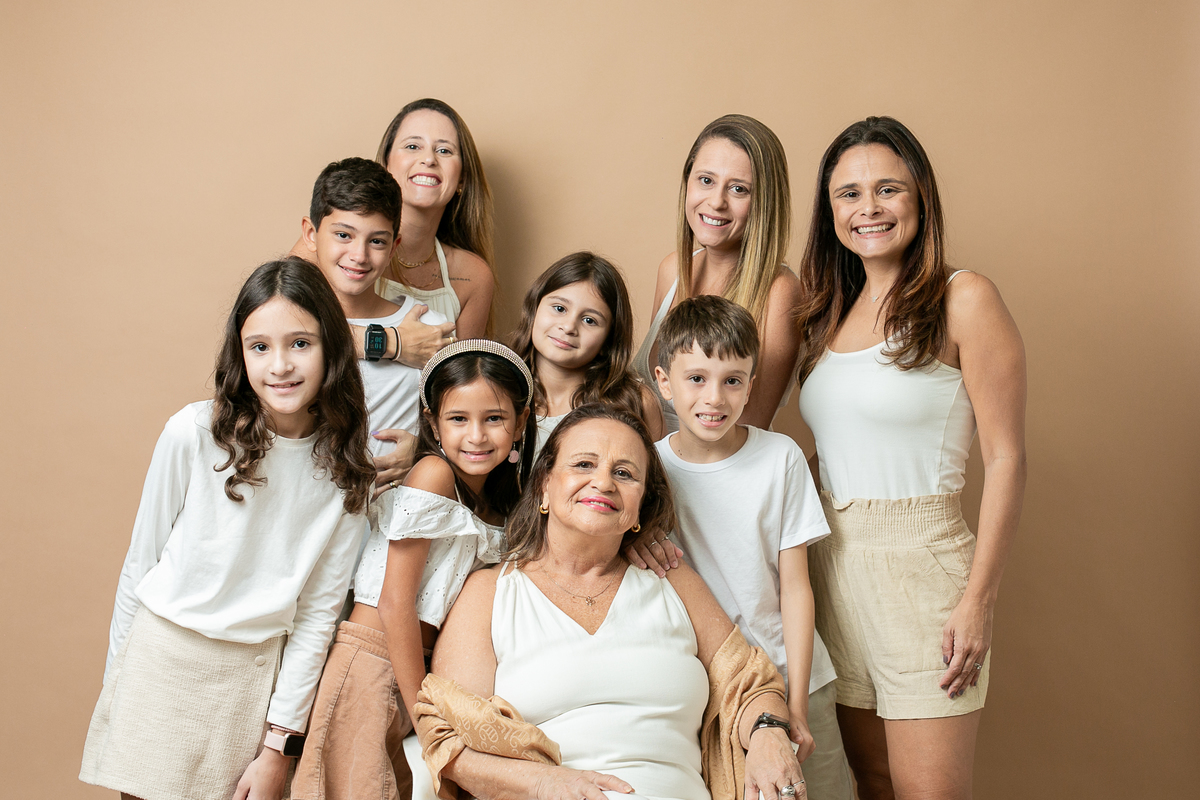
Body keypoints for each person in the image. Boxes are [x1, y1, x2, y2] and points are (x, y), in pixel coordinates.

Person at [80, 258, 375, 800]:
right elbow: (140, 564)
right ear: (240, 354)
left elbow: (317, 616)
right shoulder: (192, 432)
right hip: (160, 666)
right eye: (259, 346)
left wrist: (279, 746)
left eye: (300, 344)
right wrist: (116, 685)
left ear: (332, 348)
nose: (280, 365)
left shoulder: (347, 469)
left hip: (251, 684)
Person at [795, 116, 1027, 799]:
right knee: (872, 782)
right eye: (849, 193)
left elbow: (1008, 458)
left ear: (921, 196)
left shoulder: (964, 297)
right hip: (833, 564)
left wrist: (978, 600)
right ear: (829, 210)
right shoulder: (830, 310)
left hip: (923, 569)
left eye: (887, 189)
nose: (868, 208)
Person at [417, 404, 810, 800]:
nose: (603, 482)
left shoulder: (672, 581)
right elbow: (447, 739)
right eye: (584, 465)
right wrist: (542, 783)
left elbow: (747, 683)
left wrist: (768, 731)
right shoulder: (489, 593)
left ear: (640, 505)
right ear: (545, 485)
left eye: (624, 473)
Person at [292, 340, 536, 800]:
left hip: (421, 670)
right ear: (432, 423)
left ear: (521, 422)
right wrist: (424, 716)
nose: (477, 436)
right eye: (458, 419)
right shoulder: (433, 475)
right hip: (373, 661)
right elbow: (395, 602)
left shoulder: (503, 503)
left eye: (494, 418)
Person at [641, 295, 854, 800]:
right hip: (711, 687)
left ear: (751, 385)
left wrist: (796, 705)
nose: (714, 398)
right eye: (696, 378)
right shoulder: (648, 469)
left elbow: (795, 588)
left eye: (732, 381)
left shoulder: (779, 458)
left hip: (794, 674)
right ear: (664, 382)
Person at [634, 114, 803, 432]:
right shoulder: (673, 269)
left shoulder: (780, 291)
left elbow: (745, 429)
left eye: (739, 189)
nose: (716, 202)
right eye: (706, 180)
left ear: (765, 203)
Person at [299, 156, 448, 494]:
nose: (359, 255)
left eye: (377, 241)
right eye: (343, 235)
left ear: (394, 246)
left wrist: (425, 451)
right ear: (311, 234)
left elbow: (460, 422)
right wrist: (393, 343)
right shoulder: (287, 323)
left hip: (394, 514)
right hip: (305, 505)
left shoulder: (429, 330)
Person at [508, 251, 664, 457]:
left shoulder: (638, 402)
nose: (568, 327)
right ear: (534, 308)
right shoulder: (498, 387)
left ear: (609, 338)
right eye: (559, 308)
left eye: (589, 320)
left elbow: (655, 477)